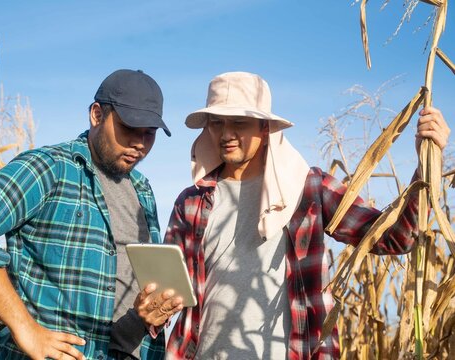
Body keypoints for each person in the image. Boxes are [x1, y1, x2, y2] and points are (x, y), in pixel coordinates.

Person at [162, 71, 450, 359]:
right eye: (216, 123)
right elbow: (168, 293)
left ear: (265, 127)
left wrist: (427, 164)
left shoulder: (308, 189)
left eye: (238, 122)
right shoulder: (191, 203)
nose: (225, 135)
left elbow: (395, 238)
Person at [0, 69, 183, 360]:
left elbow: (113, 320)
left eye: (149, 134)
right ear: (96, 115)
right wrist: (25, 327)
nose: (140, 144)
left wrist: (145, 316)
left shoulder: (143, 190)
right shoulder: (50, 167)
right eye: (130, 128)